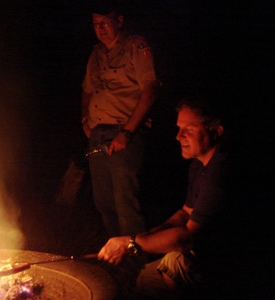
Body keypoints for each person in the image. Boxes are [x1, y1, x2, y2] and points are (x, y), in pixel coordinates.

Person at [97, 97, 229, 298]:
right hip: (200, 254)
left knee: (162, 276)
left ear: (216, 131)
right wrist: (146, 238)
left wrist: (130, 244)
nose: (178, 136)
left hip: (225, 264)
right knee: (146, 278)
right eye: (178, 128)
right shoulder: (199, 164)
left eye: (189, 129)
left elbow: (186, 238)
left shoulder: (220, 171)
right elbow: (184, 214)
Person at [81, 2, 159, 237]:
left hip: (124, 133)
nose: (100, 28)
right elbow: (86, 90)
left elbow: (151, 88)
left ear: (119, 21)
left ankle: (136, 263)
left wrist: (127, 132)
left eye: (105, 22)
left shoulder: (136, 46)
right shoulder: (96, 54)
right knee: (104, 203)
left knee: (125, 202)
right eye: (96, 24)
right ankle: (116, 258)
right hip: (97, 134)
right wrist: (85, 119)